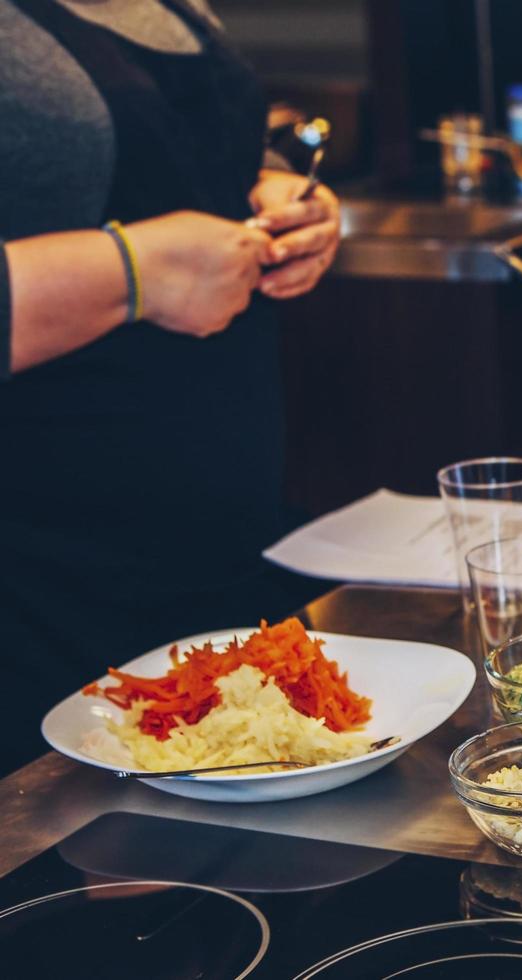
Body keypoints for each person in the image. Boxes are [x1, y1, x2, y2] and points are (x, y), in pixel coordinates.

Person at [0, 0, 341, 772]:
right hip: (43, 573)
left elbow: (172, 166)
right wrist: (133, 276)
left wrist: (281, 197)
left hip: (207, 554)